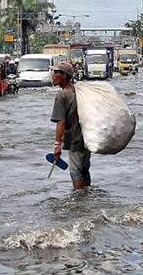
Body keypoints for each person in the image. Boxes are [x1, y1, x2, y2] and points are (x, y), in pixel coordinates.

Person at [50, 62, 91, 190]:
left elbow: (60, 122)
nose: (53, 75)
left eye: (57, 73)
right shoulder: (78, 91)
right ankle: (88, 197)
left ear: (65, 76)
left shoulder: (61, 95)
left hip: (75, 140)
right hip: (87, 138)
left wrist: (57, 146)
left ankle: (79, 204)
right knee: (84, 169)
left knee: (75, 172)